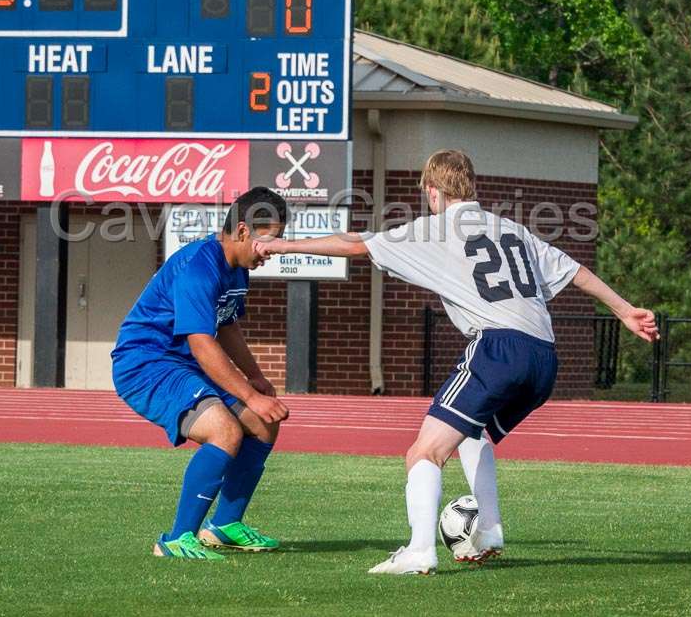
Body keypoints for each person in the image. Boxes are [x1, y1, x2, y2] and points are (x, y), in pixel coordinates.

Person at [256, 150, 658, 574]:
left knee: (424, 452)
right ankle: (488, 530)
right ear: (471, 185)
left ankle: (419, 550)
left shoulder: (435, 229)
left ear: (433, 190)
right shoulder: (512, 228)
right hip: (544, 355)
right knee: (472, 432)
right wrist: (624, 309)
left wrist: (282, 244)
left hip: (498, 348)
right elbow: (574, 270)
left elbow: (355, 243)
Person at [112, 186, 291, 560]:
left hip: (184, 363)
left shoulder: (237, 269)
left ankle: (224, 527)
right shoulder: (198, 267)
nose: (272, 251)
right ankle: (175, 539)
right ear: (243, 232)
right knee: (224, 430)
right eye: (269, 241)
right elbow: (203, 344)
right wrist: (250, 394)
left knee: (261, 422)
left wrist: (255, 377)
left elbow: (226, 326)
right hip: (147, 363)